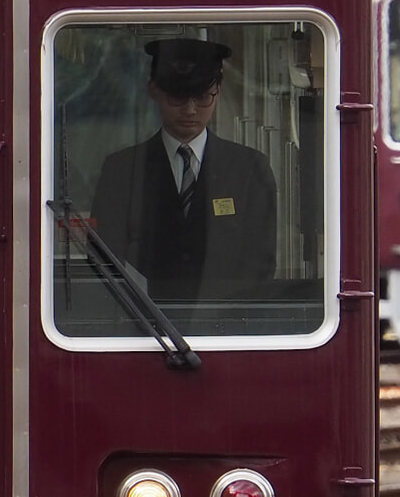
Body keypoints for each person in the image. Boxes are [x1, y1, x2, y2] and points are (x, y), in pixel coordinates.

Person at [89, 39, 276, 303]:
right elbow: (104, 259)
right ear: (153, 90)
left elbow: (260, 265)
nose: (190, 110)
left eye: (201, 97)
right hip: (143, 326)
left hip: (229, 327)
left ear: (218, 91)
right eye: (177, 97)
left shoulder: (249, 169)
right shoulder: (121, 170)